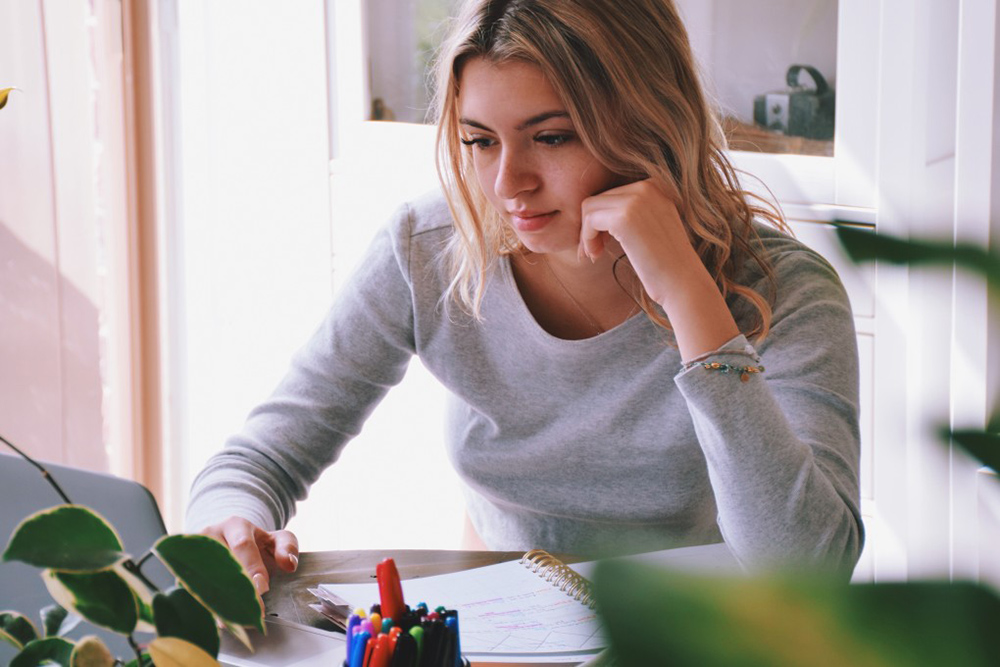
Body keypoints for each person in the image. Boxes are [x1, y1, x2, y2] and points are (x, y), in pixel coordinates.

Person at [186, 0, 864, 595]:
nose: (508, 184)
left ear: (651, 119)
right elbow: (257, 460)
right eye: (479, 141)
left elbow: (810, 571)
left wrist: (688, 294)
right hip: (499, 634)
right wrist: (231, 521)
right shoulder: (428, 246)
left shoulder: (789, 291)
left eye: (551, 136)